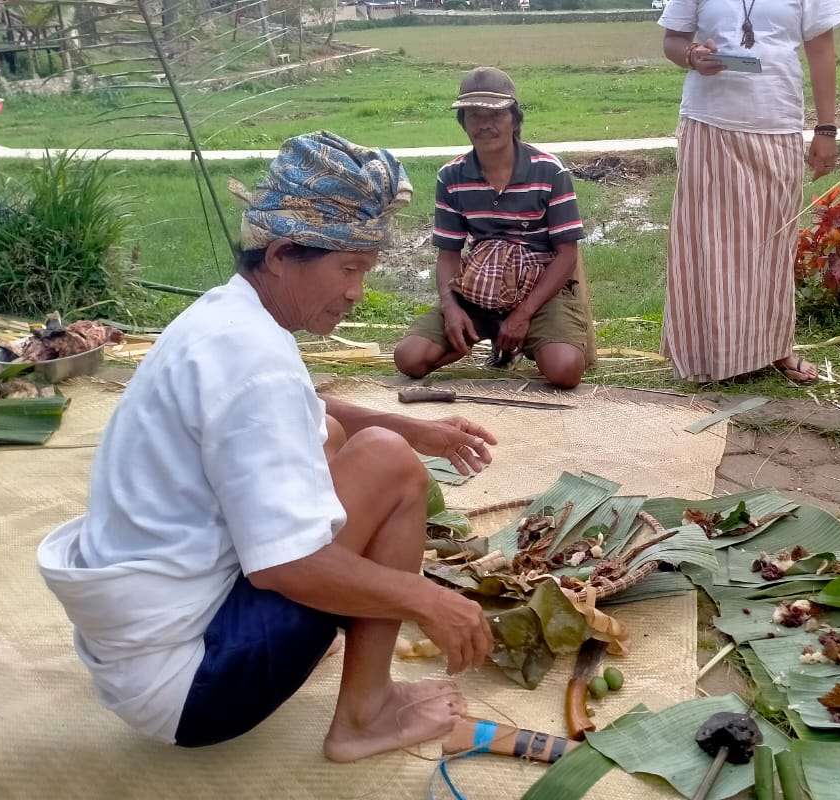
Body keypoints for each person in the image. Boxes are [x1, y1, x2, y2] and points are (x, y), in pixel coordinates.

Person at [37, 132, 497, 760]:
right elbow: (285, 567)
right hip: (195, 687)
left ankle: (318, 644)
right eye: (349, 269)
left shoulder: (226, 316)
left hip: (142, 659)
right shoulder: (254, 357)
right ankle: (364, 714)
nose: (357, 291)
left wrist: (419, 427)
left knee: (343, 437)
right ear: (282, 254)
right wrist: (431, 600)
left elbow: (292, 410)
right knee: (389, 465)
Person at [658, 0, 840, 384]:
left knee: (771, 244)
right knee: (707, 247)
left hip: (775, 125)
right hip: (709, 126)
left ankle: (776, 347)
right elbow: (673, 42)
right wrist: (692, 56)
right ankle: (708, 356)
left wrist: (827, 129)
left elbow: (820, 51)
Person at [394, 67, 591, 389]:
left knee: (565, 370)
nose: (485, 124)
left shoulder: (549, 171)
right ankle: (474, 337)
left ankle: (525, 339)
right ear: (463, 123)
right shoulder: (451, 176)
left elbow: (567, 254)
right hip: (477, 290)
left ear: (514, 119)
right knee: (410, 359)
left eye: (496, 115)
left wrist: (523, 314)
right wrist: (451, 308)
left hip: (539, 293)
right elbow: (448, 254)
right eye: (474, 116)